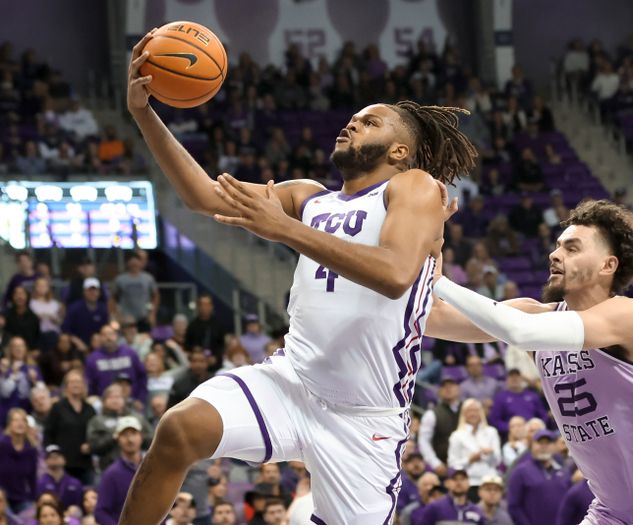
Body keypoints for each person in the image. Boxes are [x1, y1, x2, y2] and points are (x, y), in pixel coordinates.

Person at [121, 28, 479, 525]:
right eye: (351, 119)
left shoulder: (414, 187)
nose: (350, 126)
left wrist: (286, 230)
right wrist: (143, 112)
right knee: (180, 429)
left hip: (364, 416)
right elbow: (202, 196)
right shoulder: (308, 196)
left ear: (399, 152)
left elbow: (395, 274)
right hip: (292, 381)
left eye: (368, 122)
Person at [431, 199, 633, 523]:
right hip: (611, 513)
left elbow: (519, 331)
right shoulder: (537, 314)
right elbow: (434, 318)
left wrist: (441, 283)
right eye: (557, 247)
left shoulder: (632, 316)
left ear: (607, 266)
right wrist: (427, 238)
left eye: (572, 248)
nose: (555, 255)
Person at [507, 429, 572, 525]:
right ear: (531, 446)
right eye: (540, 443)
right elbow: (514, 506)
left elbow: (569, 503)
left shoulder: (564, 471)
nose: (544, 446)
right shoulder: (521, 472)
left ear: (554, 446)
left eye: (548, 443)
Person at [446, 398, 501, 502]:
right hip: (470, 483)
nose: (473, 414)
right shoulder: (457, 436)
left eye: (476, 410)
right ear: (464, 414)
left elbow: (497, 461)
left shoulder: (491, 432)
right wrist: (469, 460)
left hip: (489, 481)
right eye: (469, 411)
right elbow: (452, 464)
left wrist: (491, 453)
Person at [95, 417, 144, 525]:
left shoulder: (152, 470)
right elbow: (100, 512)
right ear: (117, 439)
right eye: (125, 435)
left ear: (141, 436)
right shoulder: (111, 474)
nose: (130, 439)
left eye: (133, 433)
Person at [84, 325, 147, 406]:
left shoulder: (130, 353)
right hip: (104, 404)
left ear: (116, 336)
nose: (108, 338)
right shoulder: (93, 358)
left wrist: (140, 399)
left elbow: (142, 376)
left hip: (132, 402)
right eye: (104, 335)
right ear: (100, 338)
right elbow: (89, 383)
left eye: (111, 334)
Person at [0, 408, 37, 514]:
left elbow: (32, 478)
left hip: (21, 498)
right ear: (9, 424)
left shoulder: (31, 449)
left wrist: (34, 499)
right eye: (16, 420)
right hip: (1, 498)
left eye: (23, 420)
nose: (20, 423)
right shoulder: (2, 445)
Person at [110, 252, 159, 332]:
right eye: (132, 263)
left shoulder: (148, 278)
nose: (134, 265)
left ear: (140, 263)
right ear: (128, 263)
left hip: (144, 317)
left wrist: (152, 313)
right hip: (126, 318)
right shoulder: (120, 279)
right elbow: (113, 299)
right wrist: (116, 315)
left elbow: (156, 296)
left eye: (136, 262)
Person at [417, 469, 486, 525]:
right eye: (454, 479)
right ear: (447, 483)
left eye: (463, 479)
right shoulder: (434, 507)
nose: (459, 482)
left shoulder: (477, 510)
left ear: (469, 483)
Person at [61, 279, 109, 347]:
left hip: (98, 343)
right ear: (84, 292)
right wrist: (76, 341)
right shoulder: (74, 307)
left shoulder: (103, 308)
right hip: (77, 344)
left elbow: (105, 327)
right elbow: (65, 328)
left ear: (99, 292)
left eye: (95, 290)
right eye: (90, 290)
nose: (93, 293)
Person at [36, 445, 83, 512]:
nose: (55, 458)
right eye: (50, 456)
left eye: (58, 455)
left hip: (71, 518)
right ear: (45, 461)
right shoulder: (40, 483)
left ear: (64, 459)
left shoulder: (75, 483)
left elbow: (79, 505)